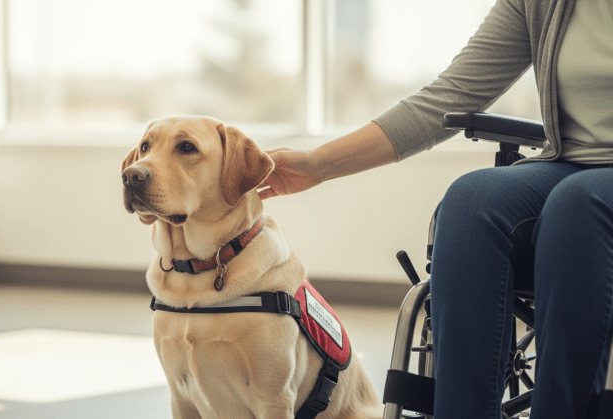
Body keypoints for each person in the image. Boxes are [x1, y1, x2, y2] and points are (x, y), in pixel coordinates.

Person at [256, 0, 613, 418]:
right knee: (469, 200)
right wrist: (319, 164)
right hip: (570, 168)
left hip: (584, 197)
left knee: (576, 207)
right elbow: (446, 97)